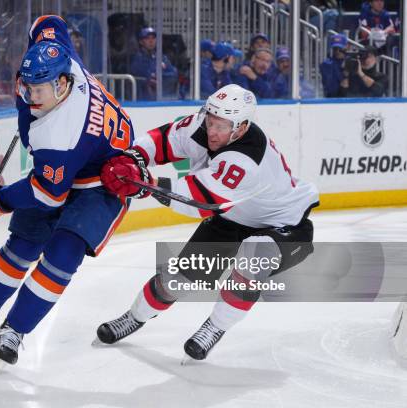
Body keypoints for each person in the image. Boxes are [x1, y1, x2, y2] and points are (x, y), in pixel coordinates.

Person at [0, 15, 139, 367]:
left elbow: (46, 195)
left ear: (63, 84)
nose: (30, 95)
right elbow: (48, 21)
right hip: (72, 164)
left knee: (63, 254)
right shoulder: (60, 55)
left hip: (99, 183)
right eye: (26, 86)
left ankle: (15, 329)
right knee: (22, 245)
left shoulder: (61, 134)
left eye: (39, 90)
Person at [95, 84, 319, 361]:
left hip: (285, 226)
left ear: (242, 127)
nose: (212, 131)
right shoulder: (205, 125)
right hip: (231, 218)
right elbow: (164, 140)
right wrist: (133, 157)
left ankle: (214, 327)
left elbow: (199, 200)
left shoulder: (246, 158)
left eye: (221, 126)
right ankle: (133, 317)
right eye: (211, 121)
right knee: (176, 280)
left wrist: (143, 183)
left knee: (254, 256)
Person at [130, 27, 178, 100]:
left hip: (162, 97)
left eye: (153, 38)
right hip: (142, 100)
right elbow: (145, 76)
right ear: (141, 41)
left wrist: (160, 76)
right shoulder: (137, 58)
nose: (151, 41)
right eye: (147, 38)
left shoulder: (162, 57)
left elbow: (173, 73)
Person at [320, 33, 348, 98]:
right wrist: (344, 73)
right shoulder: (326, 64)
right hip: (333, 100)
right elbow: (331, 88)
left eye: (340, 49)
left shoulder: (352, 61)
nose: (337, 51)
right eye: (335, 48)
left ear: (346, 47)